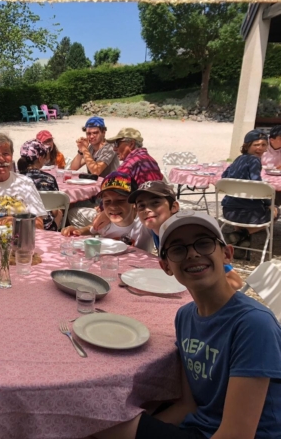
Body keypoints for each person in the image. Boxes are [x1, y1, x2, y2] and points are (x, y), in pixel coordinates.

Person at [94, 211, 281, 439]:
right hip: (199, 425)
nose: (192, 254)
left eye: (203, 244)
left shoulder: (253, 324)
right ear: (166, 266)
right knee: (102, 419)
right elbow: (188, 405)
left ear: (227, 254)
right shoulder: (184, 316)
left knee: (102, 425)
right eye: (178, 249)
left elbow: (237, 434)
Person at [130, 180, 243, 289]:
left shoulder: (187, 235)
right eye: (141, 206)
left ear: (174, 207)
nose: (147, 209)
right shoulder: (153, 228)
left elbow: (235, 281)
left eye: (155, 203)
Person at [62, 172, 152, 251]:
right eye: (107, 201)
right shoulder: (105, 223)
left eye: (120, 200)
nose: (113, 206)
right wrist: (78, 231)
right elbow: (91, 229)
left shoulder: (144, 224)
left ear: (134, 202)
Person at [220, 129, 276, 258]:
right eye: (256, 145)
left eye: (263, 144)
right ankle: (242, 235)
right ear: (247, 145)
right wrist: (269, 204)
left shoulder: (239, 159)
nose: (260, 148)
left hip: (229, 212)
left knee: (247, 208)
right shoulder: (254, 161)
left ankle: (239, 246)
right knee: (275, 210)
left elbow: (224, 176)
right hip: (250, 215)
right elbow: (258, 187)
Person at [17, 139, 61, 230]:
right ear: (40, 158)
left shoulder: (16, 178)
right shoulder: (49, 179)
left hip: (20, 224)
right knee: (59, 212)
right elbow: (55, 211)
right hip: (45, 227)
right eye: (45, 156)